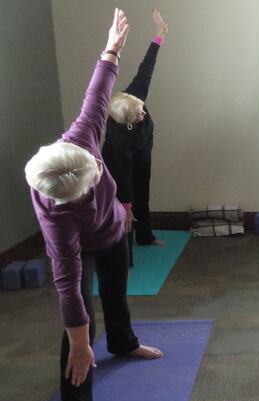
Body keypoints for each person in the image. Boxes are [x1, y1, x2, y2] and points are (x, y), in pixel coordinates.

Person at [24, 10, 163, 401]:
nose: (100, 173)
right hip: (82, 248)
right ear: (72, 198)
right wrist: (82, 342)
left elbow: (98, 92)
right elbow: (67, 287)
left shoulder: (82, 138)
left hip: (114, 231)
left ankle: (124, 343)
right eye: (92, 183)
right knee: (80, 332)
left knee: (117, 295)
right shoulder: (57, 218)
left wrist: (111, 50)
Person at [102, 8, 169, 267]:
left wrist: (159, 35)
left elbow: (147, 67)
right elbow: (123, 178)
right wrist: (128, 205)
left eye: (141, 109)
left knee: (144, 188)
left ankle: (145, 236)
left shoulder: (134, 95)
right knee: (123, 205)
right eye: (138, 116)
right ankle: (125, 256)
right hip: (119, 163)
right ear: (127, 122)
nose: (143, 114)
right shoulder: (119, 140)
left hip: (143, 149)